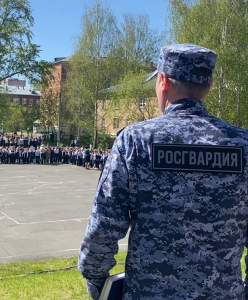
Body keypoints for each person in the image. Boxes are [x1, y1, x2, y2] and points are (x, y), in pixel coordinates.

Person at [78, 44, 248, 300]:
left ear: (163, 81)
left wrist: (98, 285)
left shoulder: (135, 141)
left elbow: (102, 229)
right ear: (209, 84)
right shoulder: (242, 146)